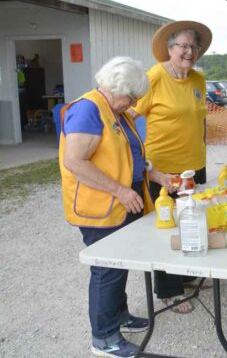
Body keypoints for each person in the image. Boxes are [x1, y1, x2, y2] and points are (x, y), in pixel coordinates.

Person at [59, 56, 174, 357]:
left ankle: (118, 315)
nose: (134, 103)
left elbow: (130, 157)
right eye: (131, 96)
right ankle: (104, 339)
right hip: (101, 205)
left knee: (119, 263)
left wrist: (157, 175)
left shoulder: (117, 111)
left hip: (120, 200)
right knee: (107, 269)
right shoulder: (88, 109)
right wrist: (120, 190)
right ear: (114, 87)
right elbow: (75, 161)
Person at [128, 20, 212, 314]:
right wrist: (142, 161)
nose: (189, 52)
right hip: (163, 171)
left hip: (194, 168)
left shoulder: (198, 80)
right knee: (164, 228)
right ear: (170, 48)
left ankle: (186, 275)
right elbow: (128, 114)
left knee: (192, 222)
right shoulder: (154, 77)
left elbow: (200, 118)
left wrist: (202, 146)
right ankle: (167, 290)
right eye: (183, 46)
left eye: (194, 46)